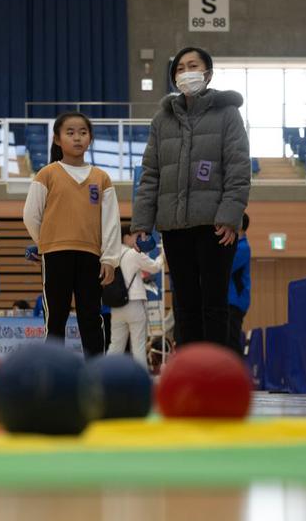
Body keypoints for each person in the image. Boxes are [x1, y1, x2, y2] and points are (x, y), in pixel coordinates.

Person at [131, 46, 251, 347]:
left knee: (214, 302)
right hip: (174, 226)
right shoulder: (163, 119)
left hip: (215, 226)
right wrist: (142, 222)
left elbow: (238, 167)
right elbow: (151, 174)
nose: (186, 72)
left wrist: (229, 217)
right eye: (180, 68)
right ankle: (189, 372)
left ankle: (213, 372)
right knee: (184, 304)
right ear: (174, 78)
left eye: (193, 65)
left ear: (207, 73)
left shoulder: (227, 114)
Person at [23, 111, 122, 356]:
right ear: (57, 140)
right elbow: (31, 215)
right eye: (70, 133)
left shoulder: (102, 178)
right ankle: (54, 375)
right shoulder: (47, 174)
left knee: (90, 317)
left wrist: (110, 259)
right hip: (55, 255)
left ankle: (95, 374)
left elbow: (111, 222)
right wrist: (45, 243)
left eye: (83, 132)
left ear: (90, 139)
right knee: (55, 317)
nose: (77, 138)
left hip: (91, 256)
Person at [106, 225, 164, 368]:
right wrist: (162, 256)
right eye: (135, 236)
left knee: (115, 346)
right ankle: (142, 383)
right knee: (138, 346)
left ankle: (105, 376)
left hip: (117, 305)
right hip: (135, 303)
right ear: (126, 237)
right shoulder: (134, 253)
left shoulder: (111, 254)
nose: (137, 240)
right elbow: (155, 267)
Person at [227, 213, 252, 354]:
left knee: (232, 341)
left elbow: (227, 267)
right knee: (227, 341)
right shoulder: (236, 245)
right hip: (230, 300)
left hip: (236, 301)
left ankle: (237, 373)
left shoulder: (243, 248)